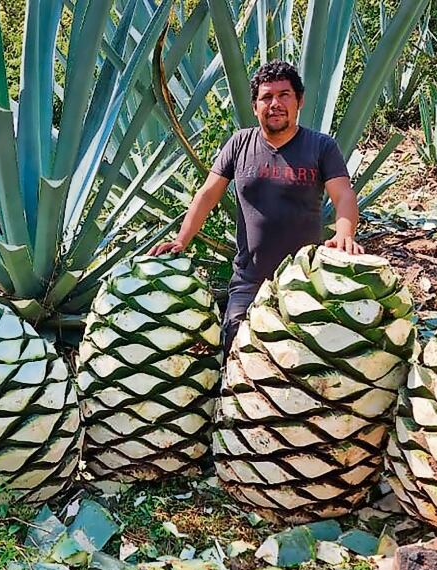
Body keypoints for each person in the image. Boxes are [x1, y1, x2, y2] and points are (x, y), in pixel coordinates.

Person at [150, 60, 363, 352]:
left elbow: (343, 195)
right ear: (254, 106)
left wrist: (345, 233)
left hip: (305, 279)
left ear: (299, 101)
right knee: (235, 349)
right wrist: (181, 240)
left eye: (284, 95)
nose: (275, 103)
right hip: (249, 279)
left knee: (303, 361)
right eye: (266, 97)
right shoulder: (239, 144)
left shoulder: (320, 146)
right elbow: (207, 195)